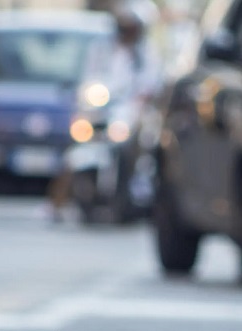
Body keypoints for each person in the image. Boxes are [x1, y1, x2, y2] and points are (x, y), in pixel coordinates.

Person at [46, 1, 160, 221]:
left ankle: (141, 190)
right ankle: (56, 202)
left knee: (146, 144)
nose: (127, 31)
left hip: (130, 112)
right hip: (102, 110)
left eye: (131, 27)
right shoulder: (101, 49)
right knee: (75, 147)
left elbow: (151, 83)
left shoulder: (146, 54)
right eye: (124, 26)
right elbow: (88, 77)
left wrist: (143, 98)